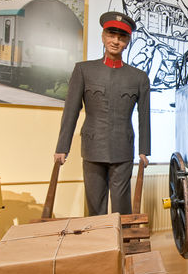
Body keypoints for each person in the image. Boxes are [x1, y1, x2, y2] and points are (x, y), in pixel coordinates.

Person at [54, 11, 151, 215]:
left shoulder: (139, 77)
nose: (115, 41)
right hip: (93, 147)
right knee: (95, 207)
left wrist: (144, 150)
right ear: (103, 36)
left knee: (121, 210)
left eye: (121, 37)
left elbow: (144, 116)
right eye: (111, 34)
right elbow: (71, 110)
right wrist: (62, 147)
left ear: (127, 41)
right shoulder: (83, 70)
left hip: (122, 149)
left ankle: (121, 245)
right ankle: (100, 245)